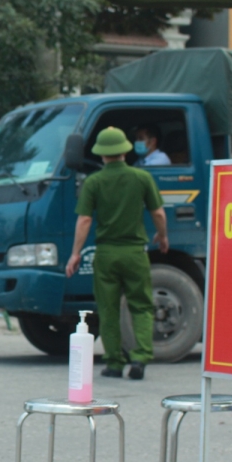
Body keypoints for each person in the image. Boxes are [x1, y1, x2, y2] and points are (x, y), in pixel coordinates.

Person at [65, 127, 169, 380]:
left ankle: (113, 363)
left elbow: (85, 220)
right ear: (125, 150)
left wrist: (75, 253)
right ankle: (140, 358)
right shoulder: (141, 177)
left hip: (106, 254)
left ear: (102, 155)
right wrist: (162, 236)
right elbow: (158, 213)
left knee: (108, 308)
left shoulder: (94, 181)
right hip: (134, 253)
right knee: (141, 306)